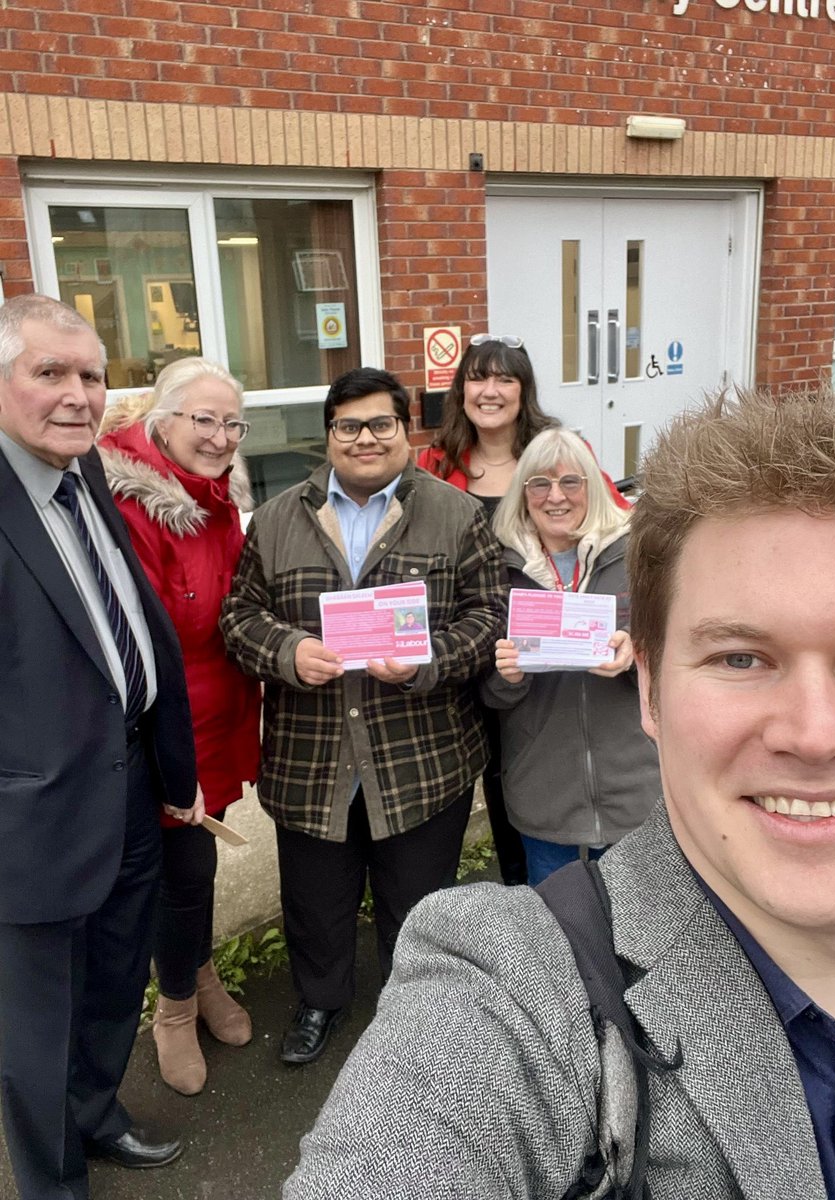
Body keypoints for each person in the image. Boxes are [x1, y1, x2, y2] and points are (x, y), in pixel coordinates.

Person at [284, 385, 835, 1200]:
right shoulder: (506, 993)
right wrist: (499, 672)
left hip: (619, 786)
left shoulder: (616, 559)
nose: (817, 735)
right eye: (741, 659)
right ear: (656, 688)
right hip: (544, 791)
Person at [221, 366, 504, 1067]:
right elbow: (238, 618)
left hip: (419, 756)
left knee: (419, 902)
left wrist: (427, 660)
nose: (365, 438)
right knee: (317, 901)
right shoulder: (280, 519)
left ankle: (414, 1014)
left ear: (406, 431)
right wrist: (288, 651)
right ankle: (321, 1001)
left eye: (381, 423)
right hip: (311, 757)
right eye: (348, 426)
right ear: (329, 436)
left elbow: (489, 616)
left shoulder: (455, 514)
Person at [0, 294, 196, 1200]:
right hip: (32, 811)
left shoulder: (87, 478)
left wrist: (170, 767)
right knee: (35, 1020)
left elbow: (130, 631)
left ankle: (96, 1112)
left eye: (91, 374)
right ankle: (51, 1178)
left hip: (128, 785)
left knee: (118, 977)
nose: (80, 395)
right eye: (51, 373)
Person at [98, 358, 261, 1097]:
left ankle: (197, 975)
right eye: (204, 419)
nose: (221, 436)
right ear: (161, 419)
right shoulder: (134, 505)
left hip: (220, 714)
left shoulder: (219, 494)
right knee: (182, 876)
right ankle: (172, 1010)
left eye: (232, 423)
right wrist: (167, 764)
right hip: (169, 729)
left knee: (199, 870)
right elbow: (142, 643)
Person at [418, 335, 631, 886]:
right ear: (460, 388)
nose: (490, 391)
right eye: (478, 378)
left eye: (504, 379)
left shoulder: (558, 455)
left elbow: (615, 538)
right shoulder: (437, 465)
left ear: (523, 390)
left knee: (541, 778)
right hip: (474, 656)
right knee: (512, 792)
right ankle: (526, 915)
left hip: (557, 681)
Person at [483, 427, 660, 885]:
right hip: (544, 789)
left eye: (570, 482)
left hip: (630, 784)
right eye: (539, 483)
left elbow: (675, 649)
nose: (555, 497)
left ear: (592, 488)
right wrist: (507, 677)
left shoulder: (634, 555)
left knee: (635, 928)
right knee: (556, 929)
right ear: (523, 495)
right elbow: (486, 694)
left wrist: (633, 652)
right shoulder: (499, 571)